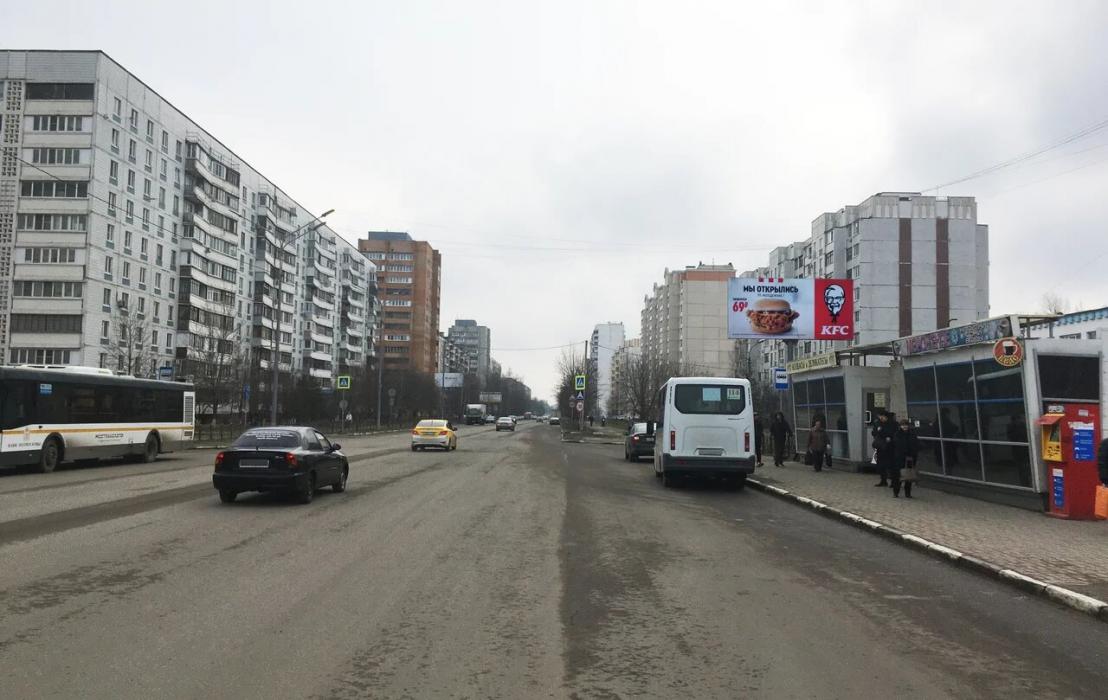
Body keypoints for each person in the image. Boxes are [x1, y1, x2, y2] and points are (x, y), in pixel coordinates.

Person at [892, 418, 920, 498]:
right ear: (900, 426)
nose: (904, 427)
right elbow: (897, 445)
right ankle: (896, 492)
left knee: (909, 475)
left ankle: (908, 493)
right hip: (900, 457)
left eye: (906, 425)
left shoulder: (912, 434)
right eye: (903, 425)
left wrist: (914, 452)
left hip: (910, 457)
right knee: (898, 475)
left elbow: (916, 444)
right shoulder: (897, 434)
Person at [872, 411, 897, 486]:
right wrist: (878, 432)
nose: (881, 418)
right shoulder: (878, 423)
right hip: (880, 446)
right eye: (880, 416)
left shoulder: (893, 424)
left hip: (890, 447)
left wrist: (882, 432)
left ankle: (893, 481)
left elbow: (892, 433)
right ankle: (883, 480)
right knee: (880, 464)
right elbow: (874, 432)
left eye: (883, 416)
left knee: (891, 465)